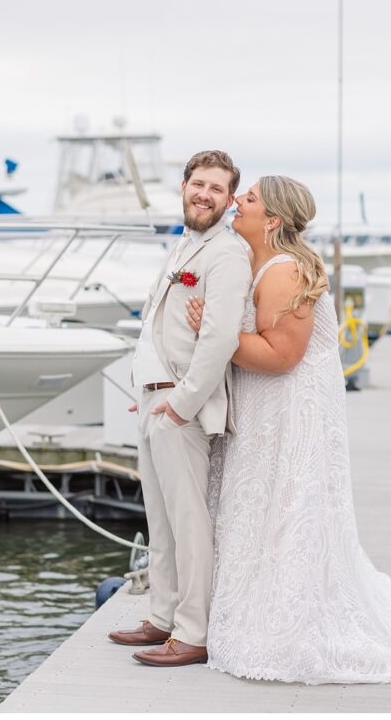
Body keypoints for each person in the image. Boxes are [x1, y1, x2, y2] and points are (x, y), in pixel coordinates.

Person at [184, 176, 391, 684]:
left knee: (288, 504)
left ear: (272, 219)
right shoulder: (253, 261)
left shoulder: (284, 272)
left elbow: (281, 357)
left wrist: (216, 332)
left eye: (249, 199)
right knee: (262, 503)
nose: (237, 202)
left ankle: (286, 614)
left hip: (289, 406)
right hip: (264, 405)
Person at [108, 150, 252, 667]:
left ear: (230, 199)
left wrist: (180, 403)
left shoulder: (227, 253)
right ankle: (162, 616)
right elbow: (158, 325)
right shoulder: (183, 245)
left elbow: (218, 339)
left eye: (217, 188)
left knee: (189, 522)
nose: (204, 194)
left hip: (181, 405)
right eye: (198, 184)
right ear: (184, 187)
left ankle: (193, 632)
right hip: (153, 399)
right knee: (160, 519)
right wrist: (144, 392)